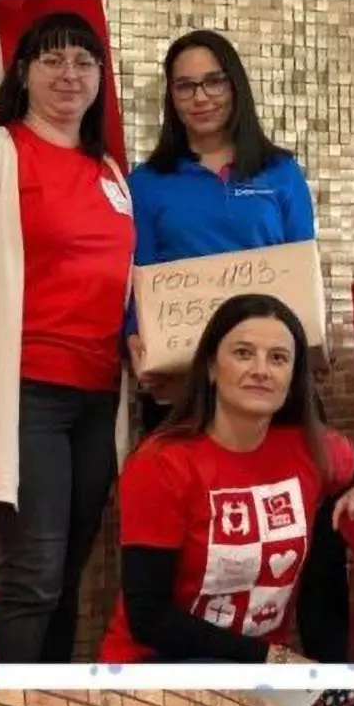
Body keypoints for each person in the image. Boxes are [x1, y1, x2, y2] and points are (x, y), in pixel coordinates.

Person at [0, 12, 133, 663]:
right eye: (52, 60)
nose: (70, 74)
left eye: (84, 62)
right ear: (23, 71)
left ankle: (47, 697)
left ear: (100, 77)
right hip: (24, 392)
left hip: (98, 397)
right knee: (33, 577)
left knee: (65, 577)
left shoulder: (108, 171)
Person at [98, 294, 354, 662]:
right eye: (243, 353)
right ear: (211, 367)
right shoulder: (161, 464)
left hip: (254, 668)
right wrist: (271, 659)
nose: (261, 370)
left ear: (293, 376)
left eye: (278, 358)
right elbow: (148, 618)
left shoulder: (311, 448)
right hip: (157, 663)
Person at [128, 30, 315, 426]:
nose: (201, 97)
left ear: (235, 86)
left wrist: (313, 345)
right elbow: (137, 277)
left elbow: (304, 271)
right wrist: (134, 340)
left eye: (214, 81)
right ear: (171, 97)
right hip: (184, 378)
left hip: (267, 378)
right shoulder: (146, 183)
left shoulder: (281, 172)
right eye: (185, 86)